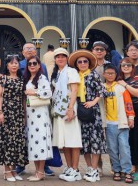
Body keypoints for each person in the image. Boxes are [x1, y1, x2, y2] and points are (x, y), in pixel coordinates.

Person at [69, 49, 106, 183]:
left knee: (95, 140)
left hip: (93, 110)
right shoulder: (75, 76)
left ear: (89, 63)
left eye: (85, 61)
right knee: (84, 142)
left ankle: (95, 169)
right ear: (77, 64)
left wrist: (93, 102)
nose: (83, 63)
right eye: (80, 62)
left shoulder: (93, 75)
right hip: (80, 109)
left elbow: (102, 90)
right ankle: (89, 168)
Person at [50, 48, 83, 182]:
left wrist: (70, 108)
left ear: (67, 58)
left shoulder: (71, 71)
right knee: (64, 141)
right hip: (58, 110)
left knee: (73, 139)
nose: (60, 58)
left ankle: (75, 169)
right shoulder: (57, 73)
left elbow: (74, 90)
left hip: (69, 108)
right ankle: (69, 167)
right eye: (58, 56)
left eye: (63, 56)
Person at [0, 55, 27, 182]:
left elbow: (23, 98)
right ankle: (6, 171)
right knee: (7, 141)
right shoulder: (3, 79)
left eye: (16, 63)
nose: (14, 65)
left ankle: (13, 170)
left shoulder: (21, 79)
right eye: (11, 63)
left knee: (17, 142)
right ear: (7, 65)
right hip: (7, 112)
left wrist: (24, 114)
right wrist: (0, 112)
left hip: (18, 113)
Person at [103, 63, 135, 183]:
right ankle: (116, 169)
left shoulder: (121, 88)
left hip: (122, 123)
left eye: (112, 73)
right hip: (109, 123)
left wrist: (131, 117)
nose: (110, 75)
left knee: (124, 148)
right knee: (112, 149)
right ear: (104, 74)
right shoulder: (102, 87)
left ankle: (127, 170)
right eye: (108, 73)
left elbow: (128, 103)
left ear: (116, 74)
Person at [24, 56, 53, 181]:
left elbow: (48, 92)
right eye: (29, 63)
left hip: (40, 115)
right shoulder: (28, 78)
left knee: (40, 142)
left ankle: (41, 172)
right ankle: (37, 171)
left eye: (34, 63)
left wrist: (34, 92)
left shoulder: (42, 78)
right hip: (31, 115)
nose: (32, 65)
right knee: (33, 144)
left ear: (39, 65)